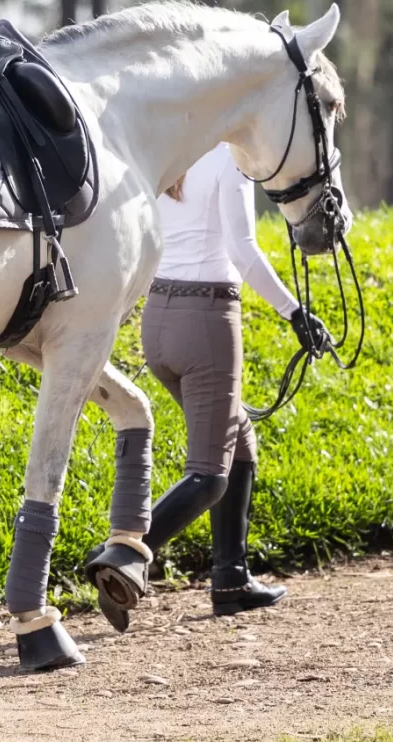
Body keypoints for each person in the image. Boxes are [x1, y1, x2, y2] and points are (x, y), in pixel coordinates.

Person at [89, 144, 330, 619]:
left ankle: (230, 578)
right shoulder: (230, 157)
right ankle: (122, 555)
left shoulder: (170, 146)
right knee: (209, 476)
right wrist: (295, 312)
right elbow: (242, 251)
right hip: (207, 321)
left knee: (240, 441)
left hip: (158, 321)